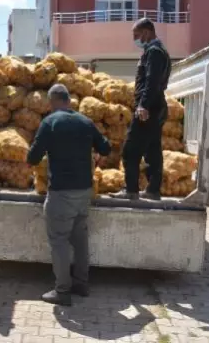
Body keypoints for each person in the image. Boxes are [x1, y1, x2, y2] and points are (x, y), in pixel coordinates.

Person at [27, 84, 111, 306]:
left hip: (61, 193)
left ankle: (62, 291)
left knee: (60, 241)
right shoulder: (86, 122)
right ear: (69, 100)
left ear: (52, 101)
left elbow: (33, 157)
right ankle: (81, 284)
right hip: (84, 191)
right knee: (80, 239)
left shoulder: (50, 122)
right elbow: (106, 148)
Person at [111, 18, 171, 201]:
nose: (135, 39)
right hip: (156, 106)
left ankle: (131, 190)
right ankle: (153, 190)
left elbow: (151, 81)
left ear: (146, 32)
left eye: (136, 35)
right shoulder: (158, 51)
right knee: (152, 151)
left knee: (130, 150)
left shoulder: (154, 52)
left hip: (149, 108)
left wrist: (143, 105)